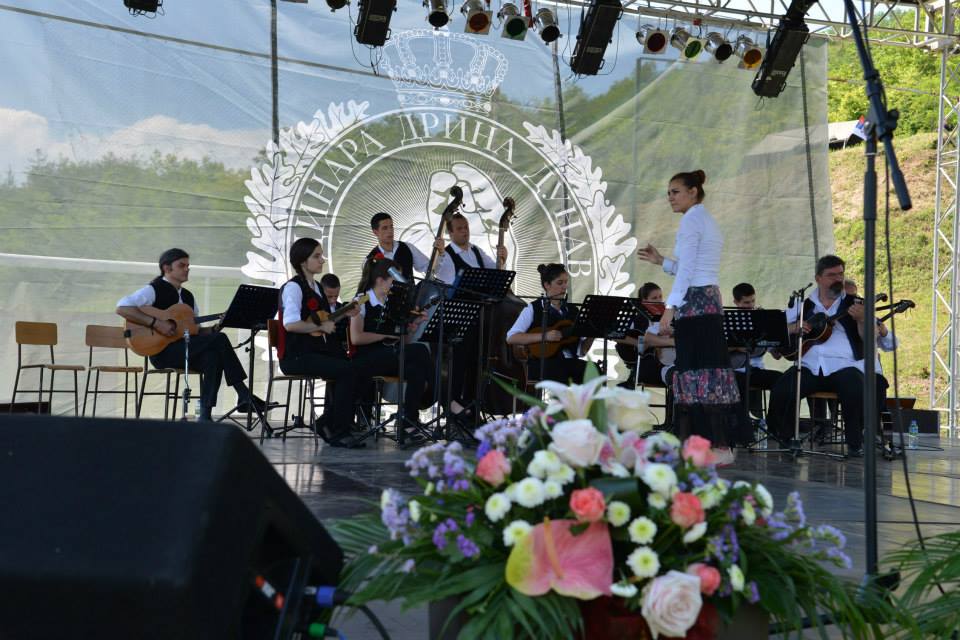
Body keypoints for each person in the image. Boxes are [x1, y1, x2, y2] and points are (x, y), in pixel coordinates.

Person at [637, 170, 743, 462]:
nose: (670, 198)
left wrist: (670, 308)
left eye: (675, 192)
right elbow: (691, 267)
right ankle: (713, 446)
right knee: (705, 372)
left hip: (695, 304)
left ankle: (710, 446)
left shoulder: (691, 220)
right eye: (668, 193)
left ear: (693, 191)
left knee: (698, 372)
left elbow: (687, 271)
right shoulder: (704, 219)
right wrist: (662, 261)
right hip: (706, 300)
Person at [766, 255, 897, 457]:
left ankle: (855, 443)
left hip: (845, 366)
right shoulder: (802, 305)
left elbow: (871, 340)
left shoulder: (856, 304)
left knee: (854, 386)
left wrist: (862, 319)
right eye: (831, 275)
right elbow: (775, 331)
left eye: (841, 274)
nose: (838, 279)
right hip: (809, 367)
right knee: (783, 388)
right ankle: (785, 438)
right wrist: (793, 328)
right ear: (818, 278)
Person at [116, 248, 262, 421]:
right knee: (220, 341)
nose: (187, 269)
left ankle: (205, 416)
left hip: (187, 349)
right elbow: (122, 308)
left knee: (213, 357)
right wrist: (156, 323)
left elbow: (197, 331)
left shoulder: (188, 297)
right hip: (162, 352)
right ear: (167, 268)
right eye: (182, 265)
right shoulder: (153, 290)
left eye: (188, 266)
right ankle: (243, 393)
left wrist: (216, 328)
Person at [276, 239, 363, 448]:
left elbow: (324, 320)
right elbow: (291, 324)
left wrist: (345, 314)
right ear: (302, 262)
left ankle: (328, 423)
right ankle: (337, 429)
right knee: (346, 371)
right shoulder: (294, 288)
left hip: (314, 351)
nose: (322, 260)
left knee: (358, 367)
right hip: (296, 356)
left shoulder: (316, 288)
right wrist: (321, 327)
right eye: (316, 256)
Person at [349, 258, 435, 443]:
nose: (398, 285)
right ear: (380, 280)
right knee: (420, 350)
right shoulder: (362, 300)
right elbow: (356, 338)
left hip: (390, 356)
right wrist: (384, 336)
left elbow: (403, 342)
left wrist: (413, 326)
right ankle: (445, 400)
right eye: (394, 280)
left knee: (416, 370)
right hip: (368, 357)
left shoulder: (393, 303)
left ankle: (408, 422)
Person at [434, 212, 509, 423]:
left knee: (476, 362)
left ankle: (472, 405)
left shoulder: (476, 251)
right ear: (450, 233)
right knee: (459, 362)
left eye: (466, 227)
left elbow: (496, 273)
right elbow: (446, 279)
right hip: (459, 317)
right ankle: (454, 407)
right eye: (459, 228)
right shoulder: (447, 255)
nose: (464, 231)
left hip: (481, 316)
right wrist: (440, 254)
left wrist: (502, 259)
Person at [506, 263, 594, 384]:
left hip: (570, 363)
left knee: (595, 372)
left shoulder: (573, 311)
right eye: (560, 283)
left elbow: (581, 351)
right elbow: (511, 337)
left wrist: (592, 333)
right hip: (543, 363)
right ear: (547, 285)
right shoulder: (533, 308)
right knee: (562, 371)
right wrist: (545, 336)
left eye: (566, 282)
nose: (564, 287)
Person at [729, 282, 782, 420]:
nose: (751, 305)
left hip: (756, 370)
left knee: (783, 380)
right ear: (736, 302)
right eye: (746, 302)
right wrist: (737, 347)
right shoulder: (729, 321)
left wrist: (779, 341)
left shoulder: (760, 319)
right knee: (739, 382)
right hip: (736, 370)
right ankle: (742, 423)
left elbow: (776, 355)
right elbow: (718, 349)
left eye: (753, 301)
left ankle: (772, 422)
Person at [619, 282, 675, 389]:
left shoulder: (667, 316)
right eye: (654, 298)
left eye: (660, 297)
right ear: (644, 301)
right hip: (648, 363)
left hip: (668, 361)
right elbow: (615, 335)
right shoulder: (637, 319)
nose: (659, 300)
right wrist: (640, 343)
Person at [365, 212, 445, 284]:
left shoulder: (408, 247)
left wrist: (441, 252)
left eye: (391, 226)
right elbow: (368, 288)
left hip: (411, 295)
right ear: (375, 232)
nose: (390, 231)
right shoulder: (370, 259)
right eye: (385, 228)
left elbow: (431, 270)